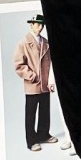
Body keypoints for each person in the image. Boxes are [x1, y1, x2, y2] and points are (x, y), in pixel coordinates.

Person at [12, 15, 59, 153]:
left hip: (45, 84)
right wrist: (32, 76)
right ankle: (31, 141)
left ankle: (43, 134)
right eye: (37, 24)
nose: (40, 27)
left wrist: (51, 80)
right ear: (31, 25)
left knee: (45, 111)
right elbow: (19, 65)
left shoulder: (46, 42)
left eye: (42, 24)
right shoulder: (23, 43)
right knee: (30, 114)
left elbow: (50, 63)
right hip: (32, 84)